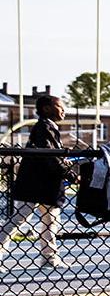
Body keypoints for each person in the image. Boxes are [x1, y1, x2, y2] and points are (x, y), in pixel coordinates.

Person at [1, 96, 75, 270]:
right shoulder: (44, 127)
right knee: (21, 218)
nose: (64, 110)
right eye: (60, 106)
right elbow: (50, 158)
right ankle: (49, 258)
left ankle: (50, 258)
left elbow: (53, 156)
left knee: (50, 221)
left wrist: (64, 161)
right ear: (47, 108)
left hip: (44, 185)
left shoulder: (48, 128)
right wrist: (70, 174)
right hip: (36, 185)